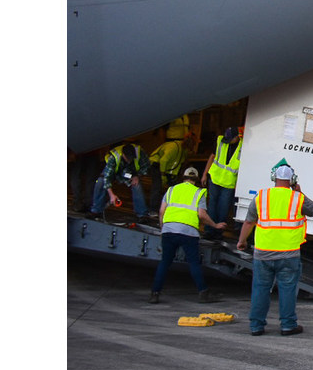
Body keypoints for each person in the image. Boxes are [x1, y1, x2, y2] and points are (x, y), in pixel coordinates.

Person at [236, 164, 313, 336]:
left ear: (274, 178)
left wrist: (242, 241)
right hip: (288, 254)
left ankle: (256, 326)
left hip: (263, 253)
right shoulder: (297, 198)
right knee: (287, 289)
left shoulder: (261, 197)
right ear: (292, 180)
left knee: (260, 288)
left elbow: (249, 221)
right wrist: (299, 192)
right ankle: (288, 325)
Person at [148, 167, 225, 304]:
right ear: (196, 179)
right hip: (188, 232)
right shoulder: (199, 192)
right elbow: (202, 215)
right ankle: (203, 293)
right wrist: (215, 225)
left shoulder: (171, 190)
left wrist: (163, 227)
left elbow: (161, 211)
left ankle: (155, 293)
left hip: (169, 230)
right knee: (194, 263)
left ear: (183, 177)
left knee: (165, 262)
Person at [90, 142, 152, 221]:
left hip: (130, 173)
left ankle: (142, 214)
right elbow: (107, 177)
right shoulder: (113, 157)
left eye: (131, 158)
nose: (129, 160)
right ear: (123, 154)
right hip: (115, 173)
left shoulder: (140, 153)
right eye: (127, 158)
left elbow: (146, 167)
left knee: (137, 185)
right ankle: (96, 210)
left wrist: (137, 176)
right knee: (100, 182)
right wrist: (112, 195)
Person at [205, 127, 242, 237]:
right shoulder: (220, 141)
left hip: (229, 183)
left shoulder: (243, 146)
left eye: (230, 139)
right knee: (212, 205)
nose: (228, 142)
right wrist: (205, 174)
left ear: (237, 137)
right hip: (215, 178)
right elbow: (212, 156)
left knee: (223, 208)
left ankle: (218, 231)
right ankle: (209, 229)